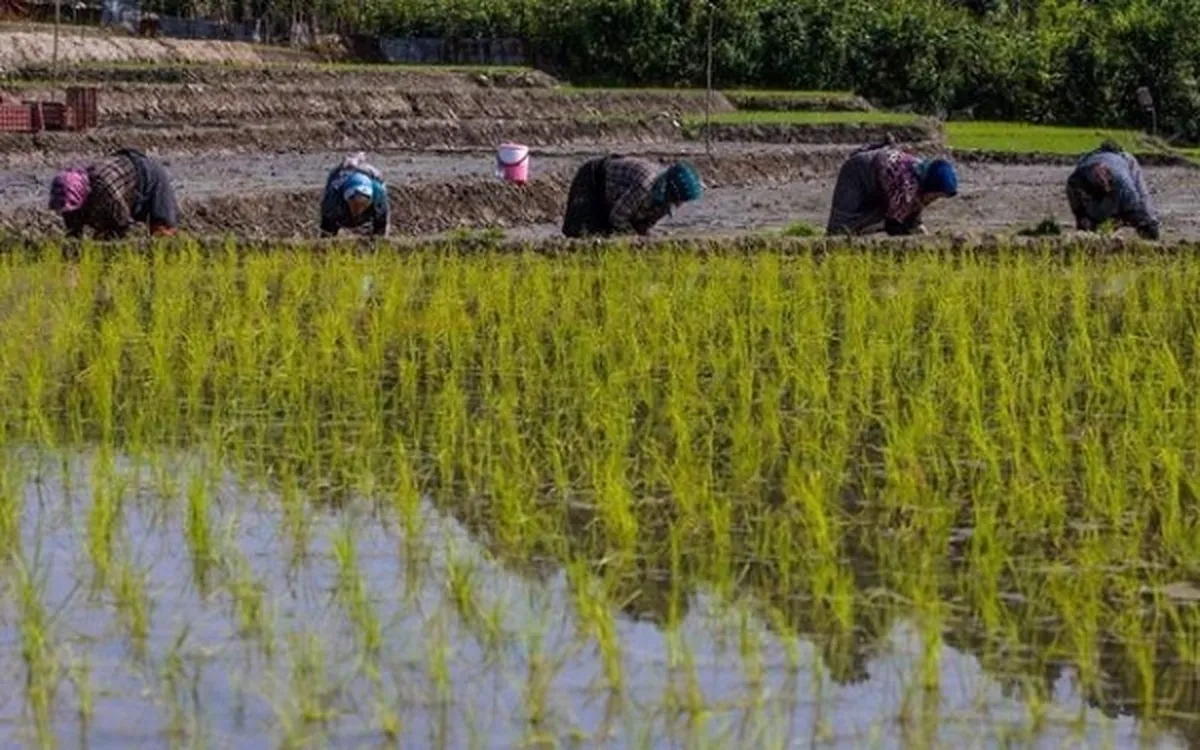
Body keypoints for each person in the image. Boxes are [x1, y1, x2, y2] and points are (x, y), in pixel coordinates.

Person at [826, 141, 958, 236]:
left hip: (880, 179)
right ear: (929, 186)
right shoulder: (907, 187)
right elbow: (894, 226)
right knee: (840, 229)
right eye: (935, 196)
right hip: (856, 174)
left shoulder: (921, 176)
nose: (934, 200)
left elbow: (912, 212)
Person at [48, 148, 180, 240]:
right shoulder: (70, 202)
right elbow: (73, 235)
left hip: (149, 175)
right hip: (123, 180)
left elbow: (124, 227)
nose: (65, 213)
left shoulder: (105, 192)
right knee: (103, 233)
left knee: (161, 231)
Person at [562, 155, 704, 238]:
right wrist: (634, 238)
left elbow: (643, 226)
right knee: (582, 234)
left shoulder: (663, 201)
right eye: (679, 200)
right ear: (672, 192)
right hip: (594, 181)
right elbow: (617, 217)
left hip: (616, 195)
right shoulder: (645, 185)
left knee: (611, 236)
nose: (679, 205)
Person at [1066, 141, 1160, 240]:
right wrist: (1082, 217)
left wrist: (1119, 221)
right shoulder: (1076, 181)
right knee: (1087, 226)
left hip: (1124, 160)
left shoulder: (1123, 183)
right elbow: (1077, 206)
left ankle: (1152, 238)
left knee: (1145, 217)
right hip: (1092, 158)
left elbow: (1134, 207)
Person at [320, 152, 390, 238]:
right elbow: (327, 231)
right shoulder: (333, 196)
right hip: (343, 180)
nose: (358, 210)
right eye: (355, 205)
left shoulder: (378, 195)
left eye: (362, 205)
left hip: (368, 177)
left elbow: (381, 227)